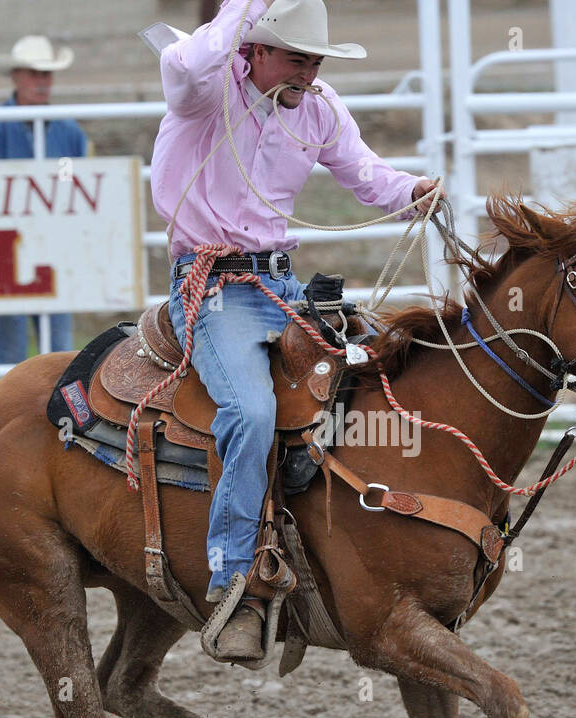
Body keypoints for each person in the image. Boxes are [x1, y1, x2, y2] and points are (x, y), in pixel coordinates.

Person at [151, 0, 443, 663]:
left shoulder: (319, 107)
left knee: (371, 382)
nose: (308, 74)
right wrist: (243, 8)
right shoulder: (206, 94)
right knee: (249, 410)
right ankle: (232, 578)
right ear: (252, 51)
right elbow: (181, 60)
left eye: (314, 61)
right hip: (214, 288)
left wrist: (411, 191)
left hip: (279, 285)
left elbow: (366, 176)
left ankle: (350, 554)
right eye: (295, 57)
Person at [0, 35, 95, 366]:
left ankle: (55, 417)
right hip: (3, 257)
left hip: (54, 255)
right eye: (33, 74)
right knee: (10, 353)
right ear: (15, 77)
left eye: (46, 74)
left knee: (59, 352)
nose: (41, 83)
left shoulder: (71, 133)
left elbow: (89, 191)